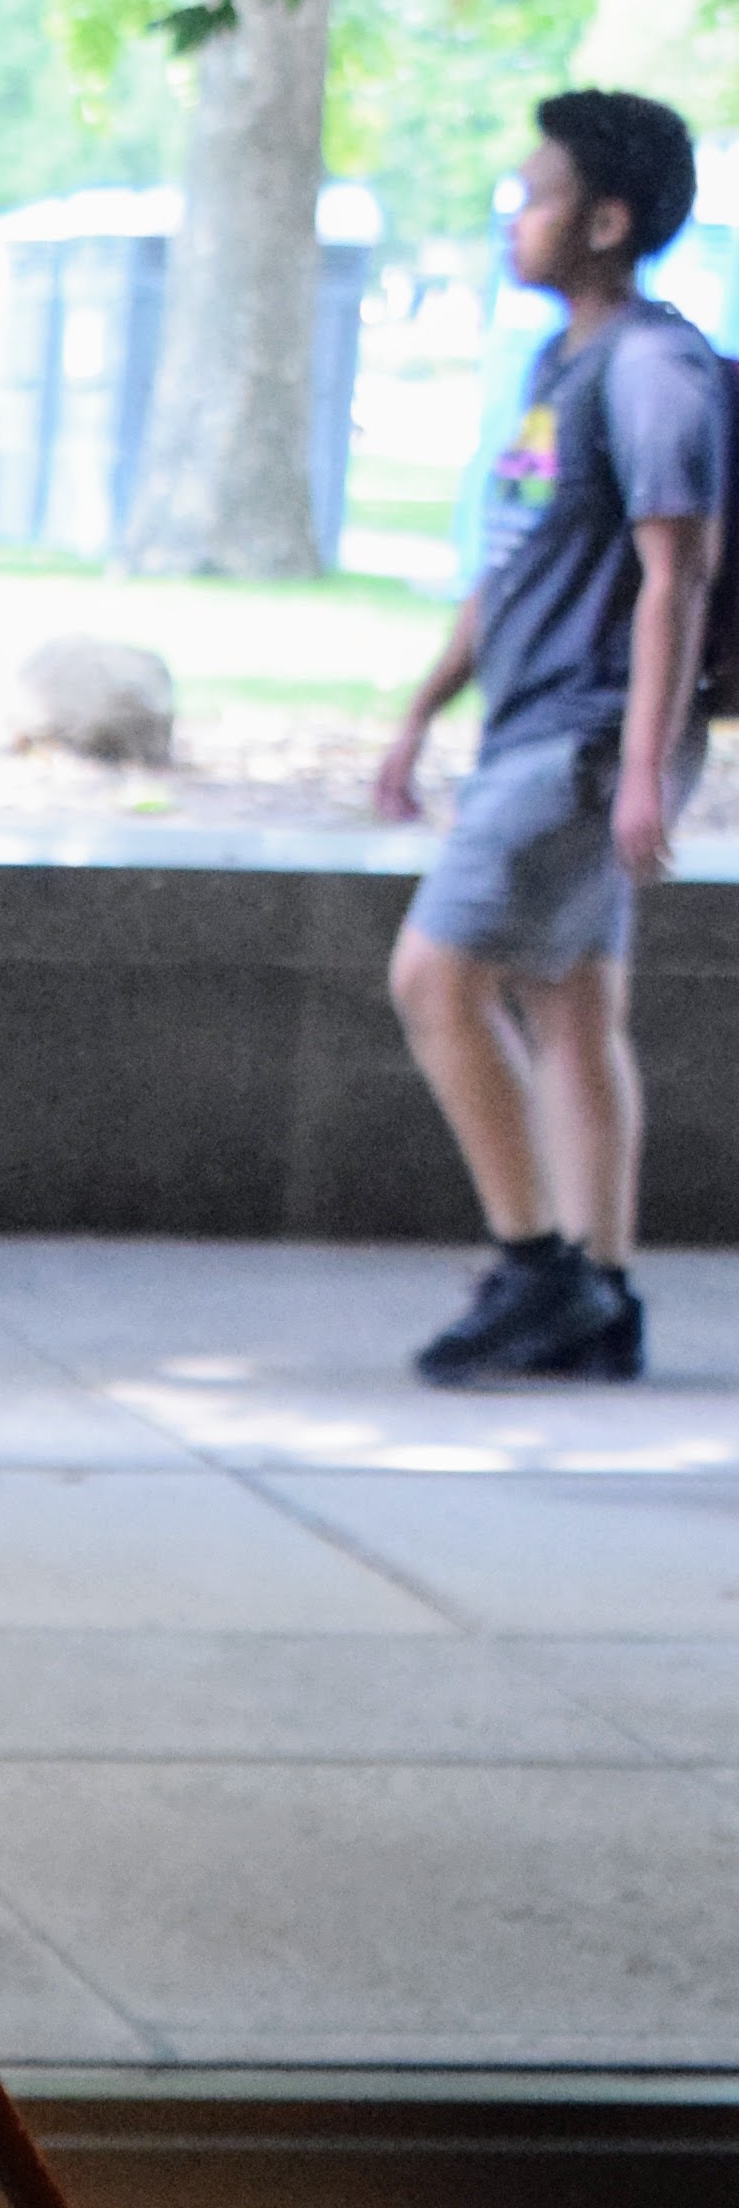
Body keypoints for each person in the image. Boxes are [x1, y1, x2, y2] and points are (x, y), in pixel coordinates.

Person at [375, 87, 727, 1387]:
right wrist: (423, 711)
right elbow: (514, 565)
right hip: (540, 729)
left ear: (609, 221)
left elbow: (677, 574)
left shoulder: (654, 370)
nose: (513, 218)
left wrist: (641, 772)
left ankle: (537, 1273)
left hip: (585, 741)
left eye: (535, 196)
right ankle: (603, 1296)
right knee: (573, 1007)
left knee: (433, 978)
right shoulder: (559, 369)